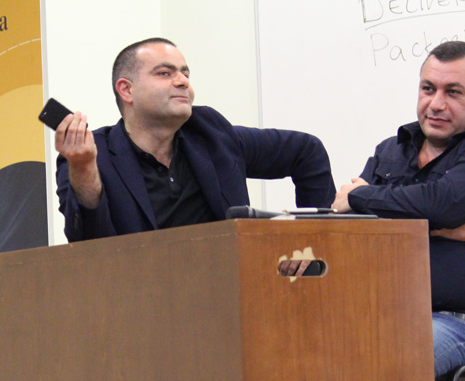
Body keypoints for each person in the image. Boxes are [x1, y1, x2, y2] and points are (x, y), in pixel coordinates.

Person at [331, 41, 465, 377]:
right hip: (375, 314)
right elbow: (346, 229)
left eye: (453, 92)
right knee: (301, 348)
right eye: (428, 89)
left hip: (455, 325)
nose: (436, 104)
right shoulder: (391, 150)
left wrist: (363, 196)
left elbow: (443, 203)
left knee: (388, 358)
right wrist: (438, 229)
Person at [54, 38, 336, 241]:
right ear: (126, 90)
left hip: (228, 291)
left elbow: (306, 152)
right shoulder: (90, 156)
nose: (182, 81)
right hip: (140, 295)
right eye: (165, 73)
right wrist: (84, 167)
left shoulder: (211, 133)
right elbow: (86, 242)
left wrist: (313, 239)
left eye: (185, 74)